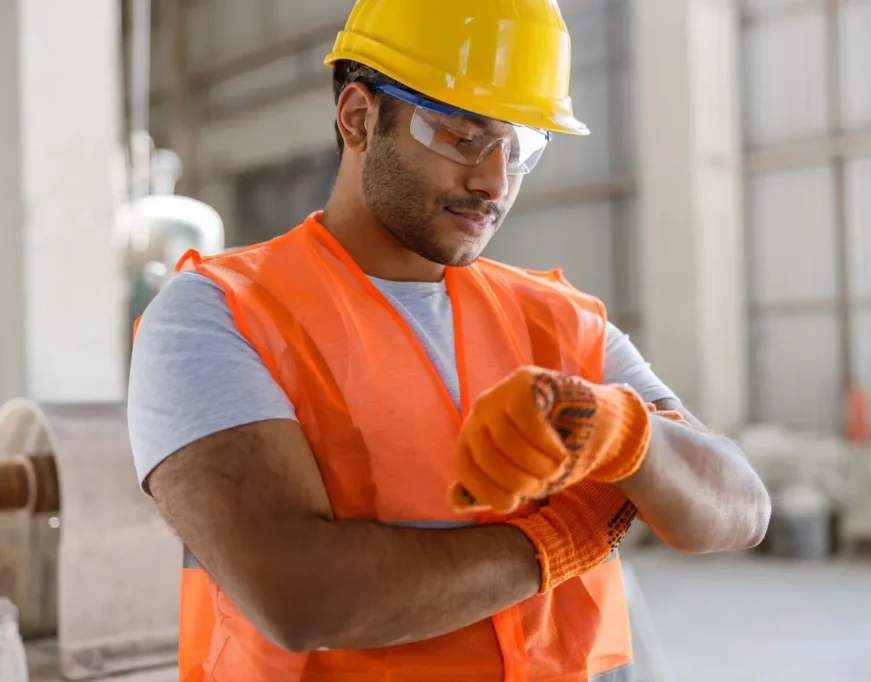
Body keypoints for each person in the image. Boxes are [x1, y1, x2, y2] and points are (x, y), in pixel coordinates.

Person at [127, 1, 771, 680]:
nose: (494, 180)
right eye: (463, 136)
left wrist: (628, 436)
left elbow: (738, 506)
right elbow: (301, 595)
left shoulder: (555, 320)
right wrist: (562, 539)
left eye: (519, 146)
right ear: (358, 118)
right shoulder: (219, 315)